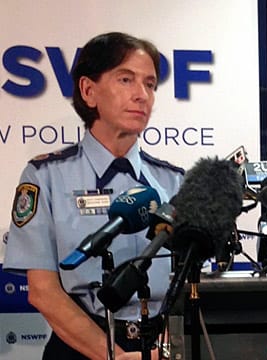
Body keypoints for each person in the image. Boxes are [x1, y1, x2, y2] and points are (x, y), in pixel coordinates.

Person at [3, 32, 183, 360]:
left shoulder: (174, 181)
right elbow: (42, 291)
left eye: (150, 84)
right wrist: (112, 355)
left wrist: (166, 347)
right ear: (88, 90)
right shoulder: (45, 176)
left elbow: (188, 282)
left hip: (160, 349)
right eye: (126, 79)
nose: (142, 95)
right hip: (80, 348)